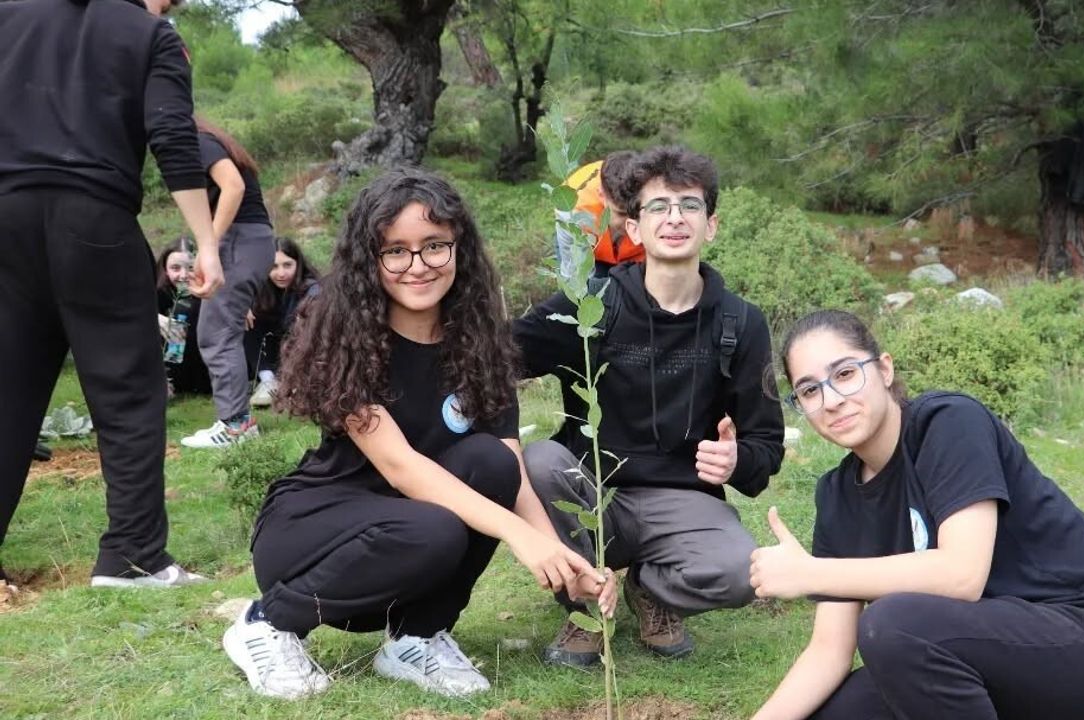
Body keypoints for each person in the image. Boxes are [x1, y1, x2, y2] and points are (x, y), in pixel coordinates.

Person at [222, 168, 613, 701]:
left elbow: (509, 471)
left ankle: (415, 638)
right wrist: (520, 540)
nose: (418, 266)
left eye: (434, 246)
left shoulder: (481, 343)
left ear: (459, 248)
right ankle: (266, 622)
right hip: (315, 530)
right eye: (396, 251)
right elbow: (401, 466)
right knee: (435, 529)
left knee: (490, 467)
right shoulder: (349, 338)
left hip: (413, 528)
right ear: (371, 259)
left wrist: (564, 564)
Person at [750, 309, 1084, 720]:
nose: (832, 401)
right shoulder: (838, 494)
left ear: (884, 370)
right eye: (809, 390)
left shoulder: (947, 423)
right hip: (991, 657)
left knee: (894, 624)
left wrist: (809, 573)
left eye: (845, 374)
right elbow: (828, 652)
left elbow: (962, 576)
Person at [517, 146, 785, 666]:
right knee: (539, 462)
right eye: (658, 207)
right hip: (592, 490)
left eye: (690, 205)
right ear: (633, 229)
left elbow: (765, 443)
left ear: (712, 226)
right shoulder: (590, 305)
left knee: (739, 573)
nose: (675, 218)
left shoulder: (740, 323)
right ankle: (585, 605)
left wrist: (737, 461)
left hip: (682, 500)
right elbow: (500, 354)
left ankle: (652, 590)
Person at [0, 0, 221, 589]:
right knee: (128, 391)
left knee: (9, 394)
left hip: (6, 216)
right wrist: (205, 241)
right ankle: (134, 558)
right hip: (93, 218)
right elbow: (173, 134)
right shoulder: (151, 36)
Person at [180, 117, 275, 449]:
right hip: (249, 239)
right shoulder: (208, 140)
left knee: (216, 334)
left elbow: (234, 187)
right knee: (219, 330)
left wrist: (211, 245)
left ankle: (236, 427)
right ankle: (237, 423)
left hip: (239, 239)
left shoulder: (197, 141)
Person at [243, 237, 320, 407]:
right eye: (274, 266)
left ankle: (296, 383)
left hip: (300, 352)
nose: (281, 273)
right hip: (269, 349)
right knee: (245, 318)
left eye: (287, 265)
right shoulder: (260, 286)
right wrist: (243, 306)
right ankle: (267, 380)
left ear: (297, 264)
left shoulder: (311, 289)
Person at [554, 151, 643, 280]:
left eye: (638, 213)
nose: (633, 223)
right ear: (602, 196)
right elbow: (577, 283)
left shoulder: (660, 198)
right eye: (622, 214)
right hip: (588, 252)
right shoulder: (573, 210)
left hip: (635, 258)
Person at [156, 238, 212, 397]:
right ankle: (167, 380)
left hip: (205, 367)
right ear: (165, 270)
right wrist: (156, 319)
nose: (184, 275)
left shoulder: (213, 291)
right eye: (175, 268)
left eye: (191, 268)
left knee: (184, 307)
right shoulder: (159, 292)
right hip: (173, 362)